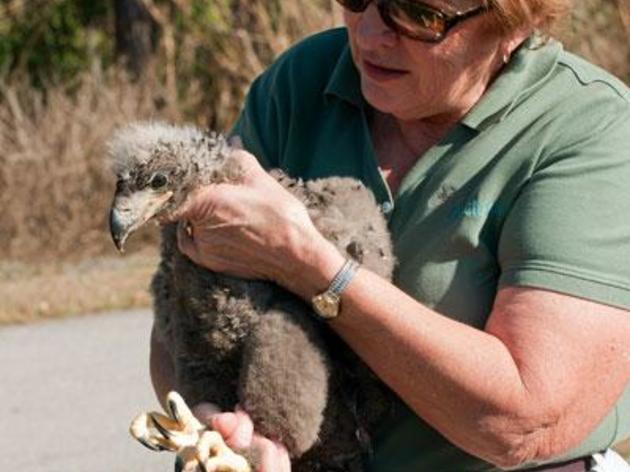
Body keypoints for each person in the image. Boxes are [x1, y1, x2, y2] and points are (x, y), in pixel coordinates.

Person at [151, 0, 630, 470]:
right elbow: (184, 317)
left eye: (419, 16)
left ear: (516, 20)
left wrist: (309, 266)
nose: (369, 34)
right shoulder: (302, 84)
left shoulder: (588, 130)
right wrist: (221, 427)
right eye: (357, 0)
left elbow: (520, 425)